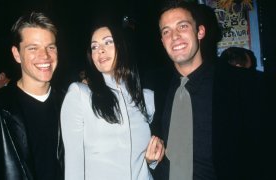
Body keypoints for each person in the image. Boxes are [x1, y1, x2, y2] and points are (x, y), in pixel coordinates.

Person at [156, 1, 262, 180]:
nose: (174, 36)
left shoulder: (242, 85)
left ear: (200, 32)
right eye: (166, 31)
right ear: (162, 41)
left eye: (182, 26)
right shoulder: (155, 86)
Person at [60, 18, 164, 180]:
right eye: (94, 46)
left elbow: (149, 157)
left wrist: (152, 161)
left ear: (122, 46)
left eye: (108, 42)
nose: (100, 50)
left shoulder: (147, 99)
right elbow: (74, 165)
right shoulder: (80, 95)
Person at [0, 11, 64, 180]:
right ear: (17, 54)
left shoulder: (70, 104)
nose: (45, 56)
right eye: (33, 48)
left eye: (51, 47)